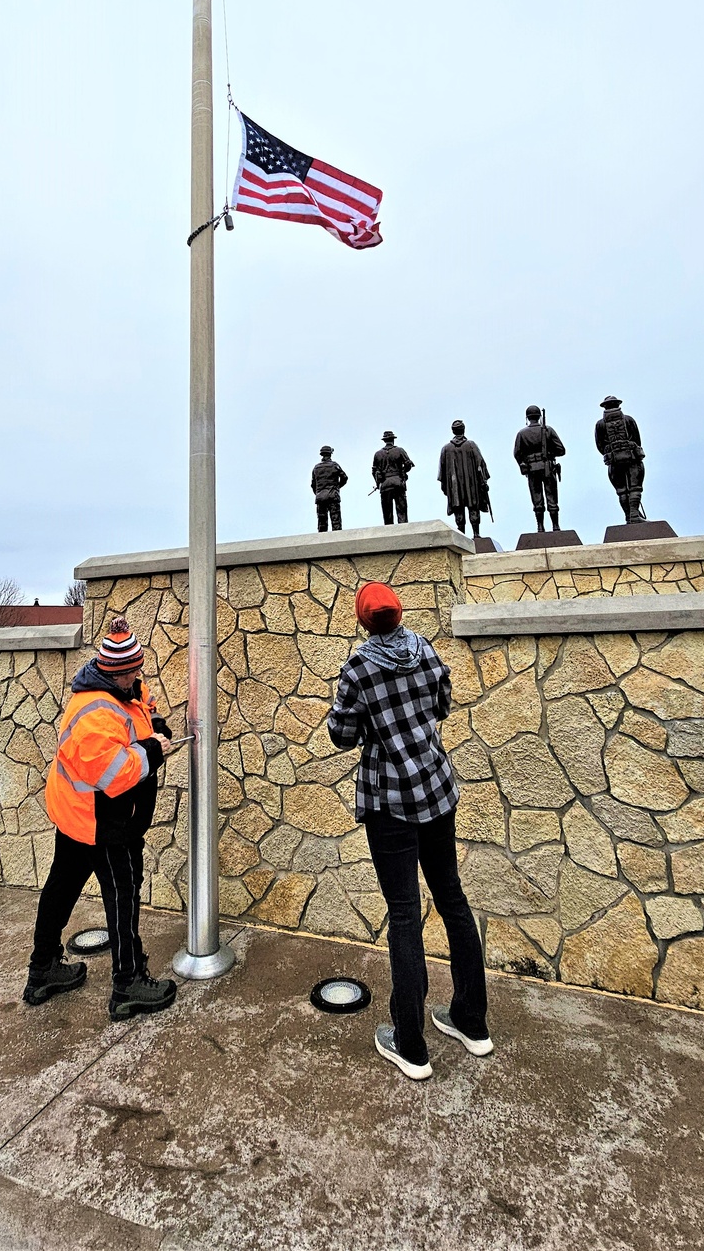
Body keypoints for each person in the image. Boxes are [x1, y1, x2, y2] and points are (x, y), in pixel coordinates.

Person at [327, 583, 491, 1080]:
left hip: (391, 802)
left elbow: (342, 735)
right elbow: (442, 706)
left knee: (404, 915)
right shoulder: (426, 649)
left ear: (362, 623)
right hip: (437, 791)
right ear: (399, 614)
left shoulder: (359, 668)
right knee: (452, 900)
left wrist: (372, 723)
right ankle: (471, 1022)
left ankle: (410, 1043)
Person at [23, 615, 179, 1019]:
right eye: (131, 673)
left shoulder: (120, 688)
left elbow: (143, 704)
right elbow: (113, 775)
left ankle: (43, 971)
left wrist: (154, 723)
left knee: (61, 888)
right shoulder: (94, 711)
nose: (137, 678)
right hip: (103, 821)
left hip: (77, 814)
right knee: (122, 896)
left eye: (137, 670)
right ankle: (127, 985)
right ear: (113, 671)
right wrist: (154, 749)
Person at [513, 406, 566, 533]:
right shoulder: (548, 430)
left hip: (532, 469)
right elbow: (561, 450)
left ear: (527, 418)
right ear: (539, 417)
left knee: (537, 499)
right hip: (547, 467)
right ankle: (555, 526)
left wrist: (525, 462)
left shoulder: (522, 434)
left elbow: (517, 453)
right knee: (552, 498)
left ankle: (540, 527)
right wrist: (549, 453)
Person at [595, 395, 645, 524]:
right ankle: (634, 515)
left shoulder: (600, 424)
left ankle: (628, 516)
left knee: (621, 490)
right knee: (635, 488)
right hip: (632, 458)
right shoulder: (628, 420)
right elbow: (637, 439)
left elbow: (600, 445)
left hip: (613, 460)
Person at [437, 420, 490, 537]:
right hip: (471, 486)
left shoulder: (446, 448)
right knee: (473, 508)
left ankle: (462, 536)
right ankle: (476, 534)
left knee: (458, 510)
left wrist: (446, 487)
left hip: (455, 487)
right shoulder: (471, 445)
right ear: (464, 430)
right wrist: (483, 481)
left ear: (453, 431)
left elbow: (442, 472)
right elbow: (480, 464)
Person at [372, 431, 414, 525]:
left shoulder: (377, 454)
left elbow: (374, 471)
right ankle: (403, 529)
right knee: (401, 509)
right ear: (393, 440)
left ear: (384, 441)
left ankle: (389, 530)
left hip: (385, 484)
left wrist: (378, 483)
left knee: (387, 512)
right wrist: (403, 473)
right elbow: (408, 464)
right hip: (398, 482)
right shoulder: (400, 450)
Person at [311, 445, 348, 532]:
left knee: (322, 523)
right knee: (336, 522)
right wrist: (337, 487)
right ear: (330, 454)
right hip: (333, 496)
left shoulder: (316, 468)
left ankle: (322, 542)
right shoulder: (335, 466)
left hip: (320, 497)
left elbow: (313, 484)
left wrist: (318, 493)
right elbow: (345, 478)